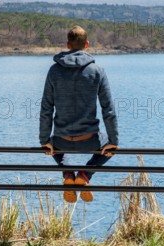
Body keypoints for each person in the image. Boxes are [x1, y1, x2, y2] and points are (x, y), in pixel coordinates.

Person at [39, 25, 119, 203]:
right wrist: (114, 141)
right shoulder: (97, 71)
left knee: (49, 142)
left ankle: (67, 173)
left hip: (61, 140)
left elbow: (46, 107)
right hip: (90, 140)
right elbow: (109, 109)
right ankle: (84, 175)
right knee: (111, 146)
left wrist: (44, 140)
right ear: (87, 44)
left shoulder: (54, 71)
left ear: (68, 45)